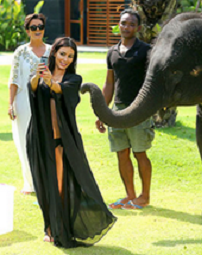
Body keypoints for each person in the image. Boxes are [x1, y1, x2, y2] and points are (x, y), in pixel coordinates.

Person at [27, 37, 116, 247]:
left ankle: (61, 228)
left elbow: (63, 92)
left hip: (61, 141)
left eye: (70, 56)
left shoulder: (73, 78)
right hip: (39, 140)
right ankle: (49, 228)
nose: (65, 59)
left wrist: (50, 82)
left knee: (59, 185)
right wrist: (36, 79)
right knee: (43, 185)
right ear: (54, 53)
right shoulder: (40, 74)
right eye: (62, 54)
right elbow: (32, 91)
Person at [95, 8, 154, 210]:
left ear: (137, 28)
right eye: (123, 23)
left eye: (131, 24)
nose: (126, 27)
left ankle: (144, 196)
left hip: (139, 109)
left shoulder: (146, 51)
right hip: (117, 109)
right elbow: (109, 83)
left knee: (140, 153)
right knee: (122, 153)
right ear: (118, 25)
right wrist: (102, 111)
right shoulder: (112, 52)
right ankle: (130, 195)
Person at [7, 13, 51, 195]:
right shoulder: (20, 52)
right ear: (27, 31)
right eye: (33, 27)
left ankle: (47, 181)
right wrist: (11, 104)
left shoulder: (52, 51)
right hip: (23, 103)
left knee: (46, 140)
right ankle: (30, 184)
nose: (37, 30)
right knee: (25, 141)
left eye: (40, 26)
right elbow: (14, 79)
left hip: (46, 102)